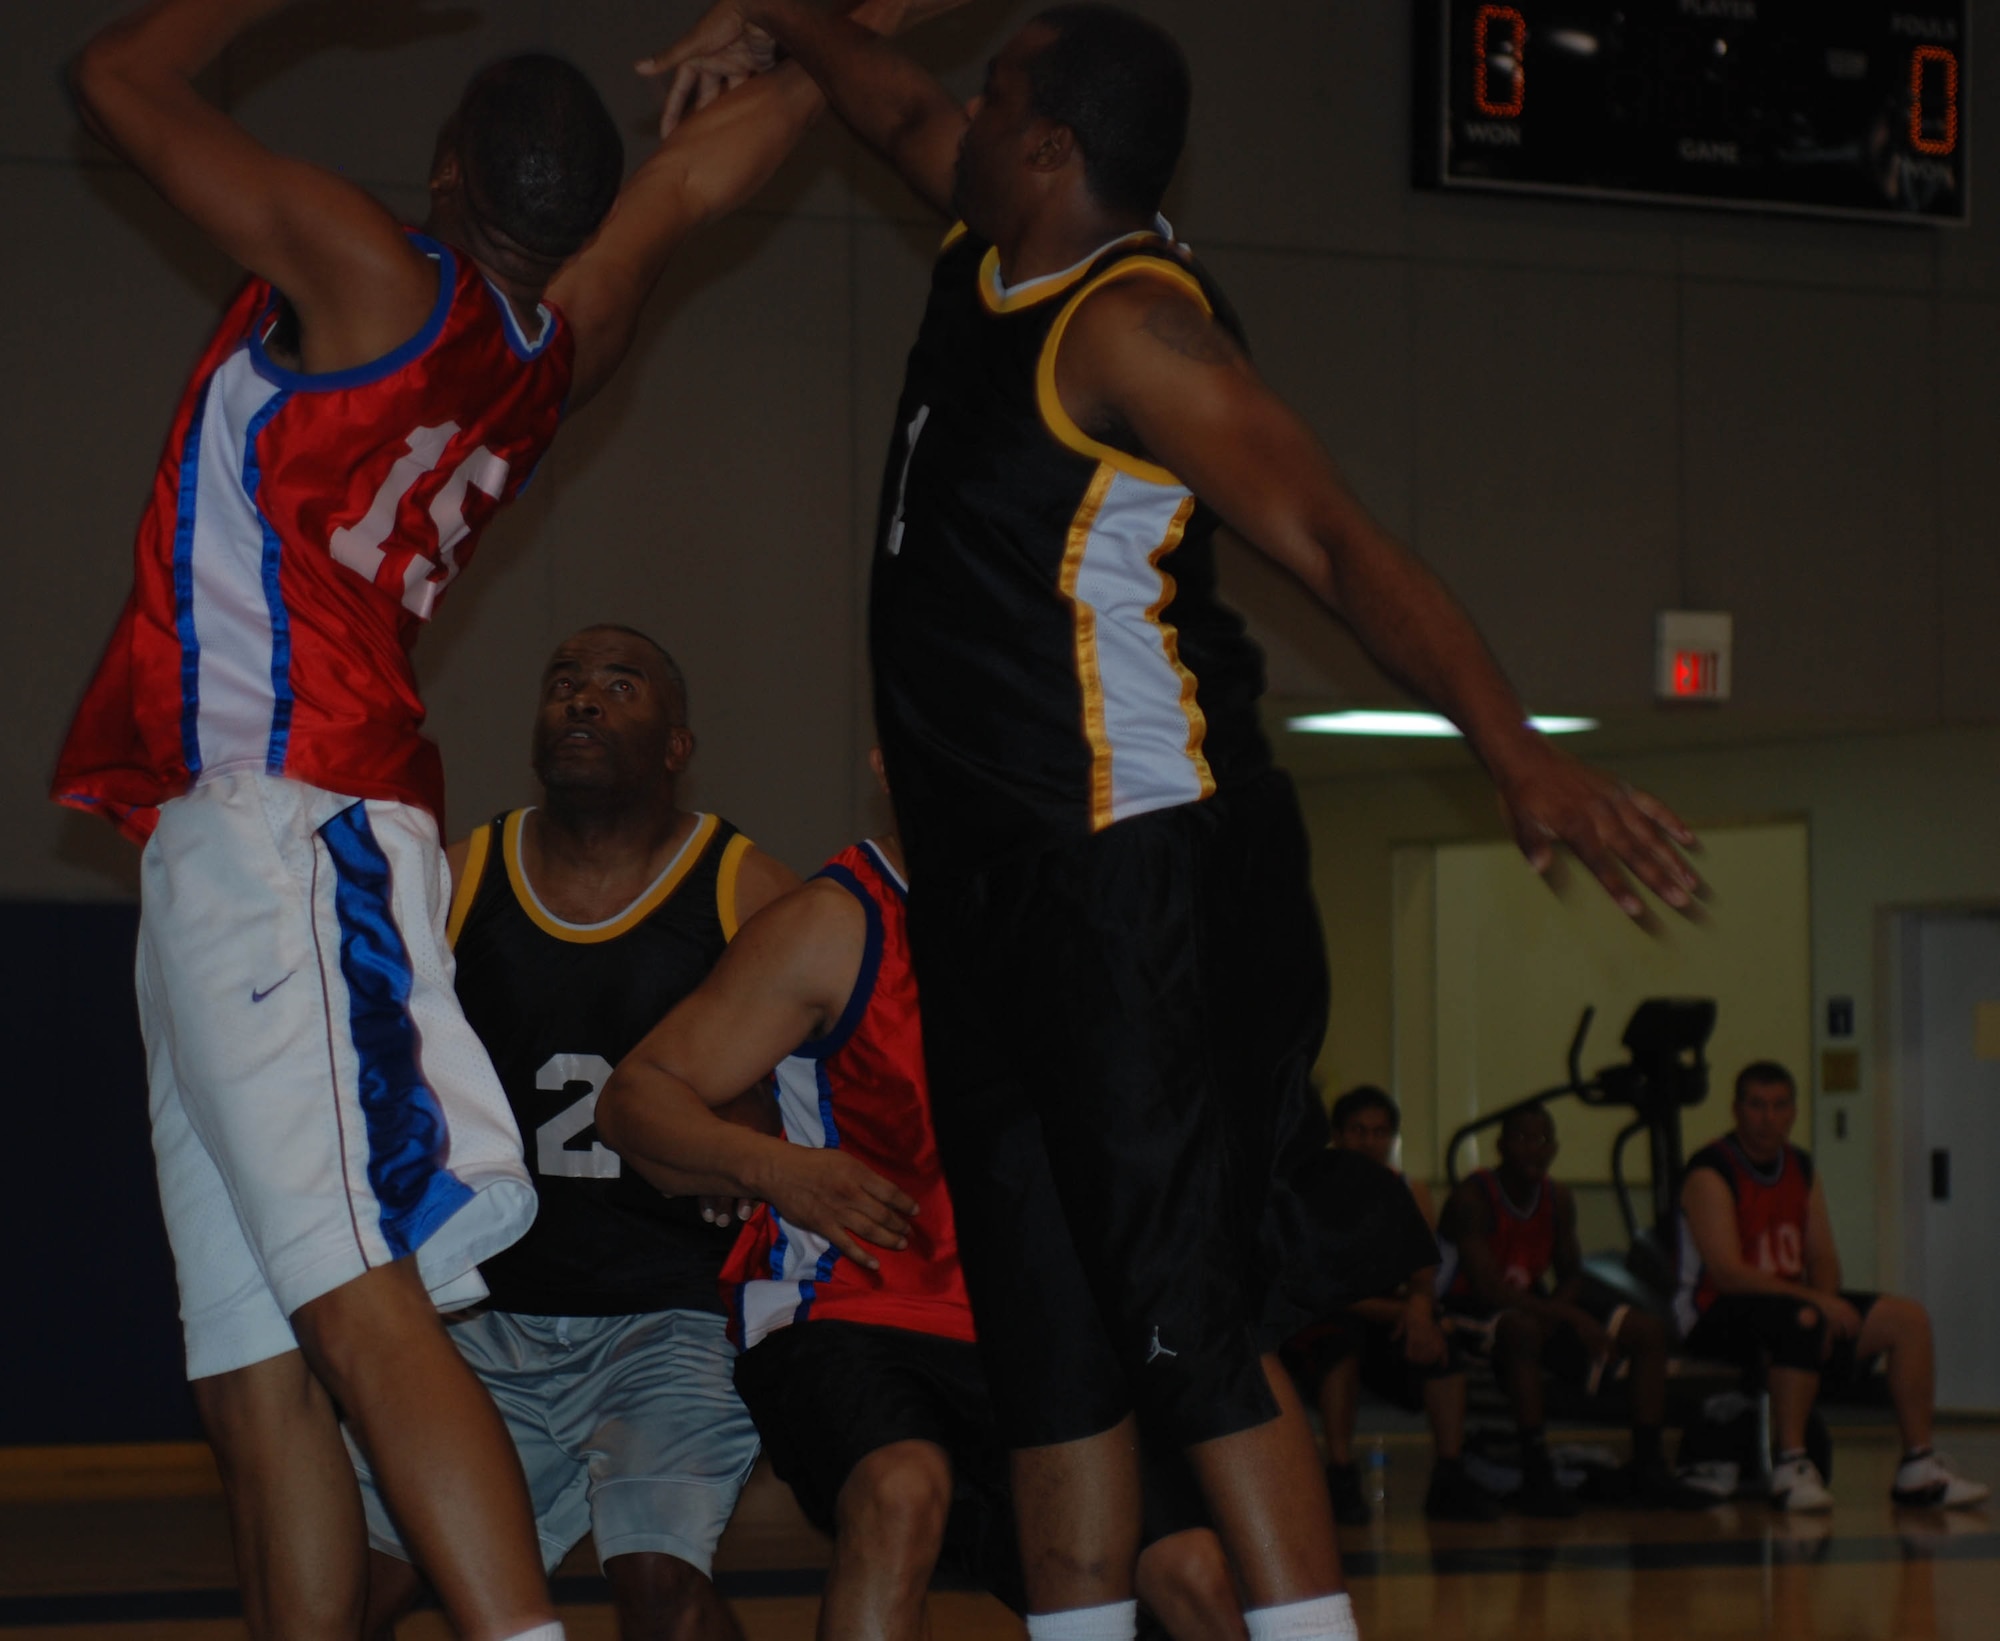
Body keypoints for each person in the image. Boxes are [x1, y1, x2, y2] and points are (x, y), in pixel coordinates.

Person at [643, 6, 1704, 1637]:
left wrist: (1515, 751)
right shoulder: (990, 243)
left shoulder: (1133, 327)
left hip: (1127, 877)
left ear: (1052, 147)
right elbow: (893, 105)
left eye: (998, 96)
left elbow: (1336, 542)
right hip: (986, 897)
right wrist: (788, 16)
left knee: (1184, 1328)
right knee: (1051, 1345)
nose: (961, 113)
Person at [51, 2, 910, 1633]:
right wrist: (818, 33)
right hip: (234, 843)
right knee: (255, 1370)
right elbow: (696, 185)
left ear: (445, 167)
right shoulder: (562, 341)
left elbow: (111, 75)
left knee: (364, 1312)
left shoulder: (371, 274)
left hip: (289, 827)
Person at [596, 786, 1242, 1641]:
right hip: (853, 1306)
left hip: (1037, 1329)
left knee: (1193, 1574)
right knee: (901, 1489)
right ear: (885, 758)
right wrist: (773, 1165)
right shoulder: (835, 921)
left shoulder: (1083, 919)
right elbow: (634, 1097)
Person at [351, 626, 797, 1639]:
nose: (582, 700)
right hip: (486, 1315)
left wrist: (747, 1115)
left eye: (619, 686)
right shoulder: (458, 876)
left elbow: (812, 1086)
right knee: (351, 1590)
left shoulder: (746, 886)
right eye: (564, 683)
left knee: (657, 1581)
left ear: (677, 746)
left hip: (671, 1313)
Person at [1675, 1061, 1990, 1513]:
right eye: (1757, 1106)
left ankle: (1918, 1465)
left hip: (1786, 1305)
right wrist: (1816, 1304)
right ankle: (1791, 1465)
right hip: (1713, 1311)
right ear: (1737, 1110)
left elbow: (1822, 1256)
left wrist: (1825, 1301)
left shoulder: (1800, 1167)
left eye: (1779, 1106)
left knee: (1907, 1319)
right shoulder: (1711, 1170)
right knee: (1802, 1319)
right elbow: (1727, 1273)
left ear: (1793, 1112)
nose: (1768, 1118)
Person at [1436, 1106, 1700, 1516]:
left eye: (1543, 1140)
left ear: (1555, 1149)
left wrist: (1559, 1311)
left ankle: (1648, 1464)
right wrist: (1569, 1317)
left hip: (1531, 1304)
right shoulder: (1473, 1198)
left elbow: (1571, 1274)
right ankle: (1536, 1471)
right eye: (1523, 1139)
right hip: (1466, 1309)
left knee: (1646, 1329)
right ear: (1501, 1146)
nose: (1533, 1149)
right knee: (1524, 1329)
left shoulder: (1557, 1198)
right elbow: (1488, 1289)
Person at [1283, 1087, 1495, 1527]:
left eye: (1379, 1132)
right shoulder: (1310, 1192)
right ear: (1337, 1136)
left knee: (1443, 1344)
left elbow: (1423, 1270)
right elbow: (1323, 1287)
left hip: (1389, 1314)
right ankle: (1340, 1474)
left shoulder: (1409, 1189)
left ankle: (1449, 1475)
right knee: (1339, 1343)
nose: (1369, 1142)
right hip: (1329, 1315)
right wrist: (1406, 1312)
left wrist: (1419, 1306)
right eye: (1358, 1131)